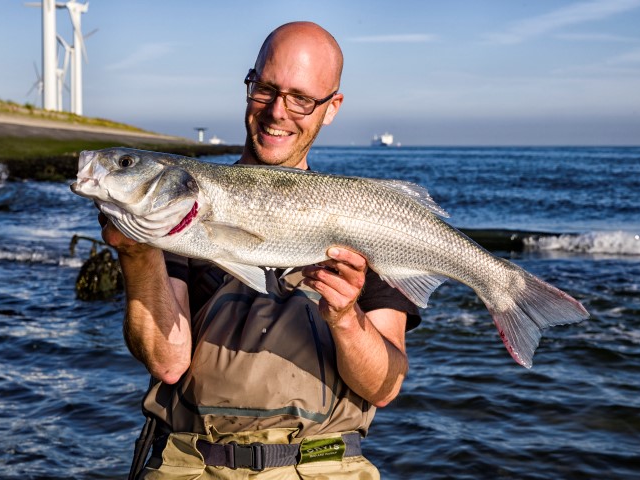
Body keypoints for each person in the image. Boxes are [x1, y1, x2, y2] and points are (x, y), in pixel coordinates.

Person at [100, 21, 420, 479]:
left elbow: (384, 387)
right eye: (265, 89)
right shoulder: (178, 208)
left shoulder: (366, 219)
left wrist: (347, 317)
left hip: (326, 467)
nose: (277, 112)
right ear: (247, 85)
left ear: (332, 108)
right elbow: (167, 364)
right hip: (191, 465)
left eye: (302, 99)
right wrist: (135, 251)